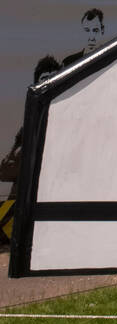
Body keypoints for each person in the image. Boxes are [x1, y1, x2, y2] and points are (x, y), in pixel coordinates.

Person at [0, 55, 61, 249]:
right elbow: (10, 166)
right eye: (44, 80)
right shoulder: (29, 124)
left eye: (54, 78)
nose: (49, 85)